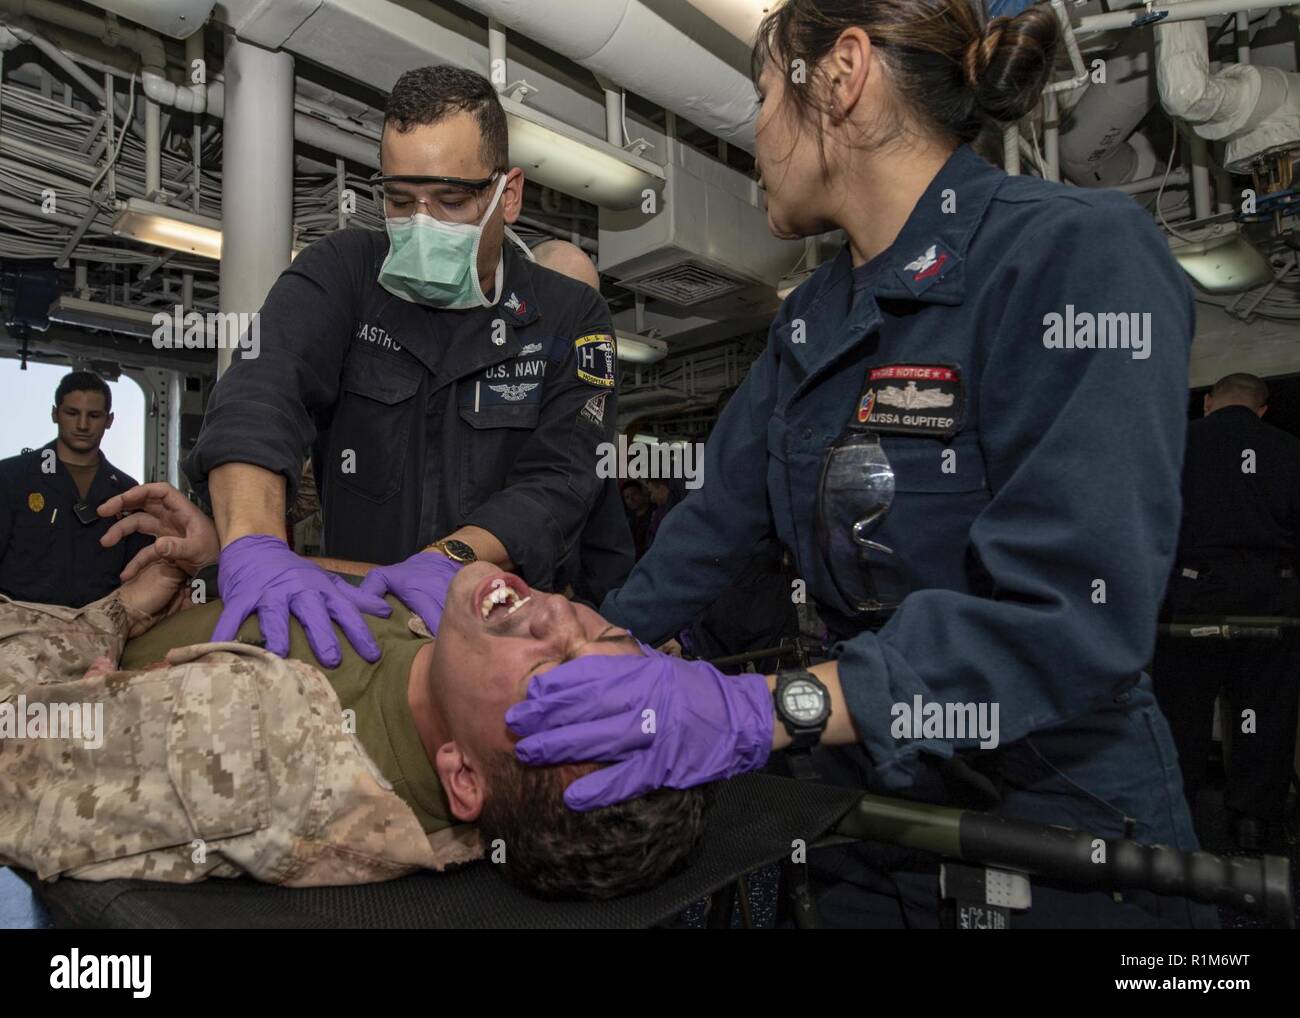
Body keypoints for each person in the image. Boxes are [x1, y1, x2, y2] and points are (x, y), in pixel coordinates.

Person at [502, 0, 1214, 928]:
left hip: (1054, 828)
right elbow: (707, 535)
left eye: (761, 97)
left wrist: (759, 712)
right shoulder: (808, 324)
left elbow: (1068, 620)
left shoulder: (1073, 256)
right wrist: (577, 665)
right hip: (862, 820)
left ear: (840, 76)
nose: (755, 134)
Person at [0, 483, 703, 900]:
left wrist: (116, 620)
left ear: (461, 775)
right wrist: (225, 562)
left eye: (547, 672)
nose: (557, 614)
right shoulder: (452, 646)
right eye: (607, 637)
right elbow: (357, 591)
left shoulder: (253, 737)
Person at [182, 66, 619, 669]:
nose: (421, 224)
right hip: (357, 628)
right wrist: (253, 541)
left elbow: (562, 479)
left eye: (451, 201)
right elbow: (261, 390)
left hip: (504, 637)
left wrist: (453, 560)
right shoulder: (344, 272)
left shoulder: (569, 314)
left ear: (507, 195)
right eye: (399, 200)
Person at [1153, 373, 1300, 852]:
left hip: (1194, 601)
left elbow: (1151, 521)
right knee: (1262, 714)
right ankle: (1254, 822)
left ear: (1209, 403)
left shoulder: (1177, 444)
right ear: (1262, 409)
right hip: (1272, 604)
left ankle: (1176, 820)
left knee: (1184, 714)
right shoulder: (1290, 449)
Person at [0, 370, 151, 607]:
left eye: (94, 415)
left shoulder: (128, 492)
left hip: (99, 627)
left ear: (109, 420)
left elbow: (138, 572)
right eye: (72, 413)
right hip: (17, 625)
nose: (82, 425)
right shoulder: (11, 478)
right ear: (55, 414)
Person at [620, 480, 653, 559]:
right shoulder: (628, 520)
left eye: (634, 494)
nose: (631, 499)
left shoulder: (655, 514)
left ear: (642, 493)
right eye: (627, 497)